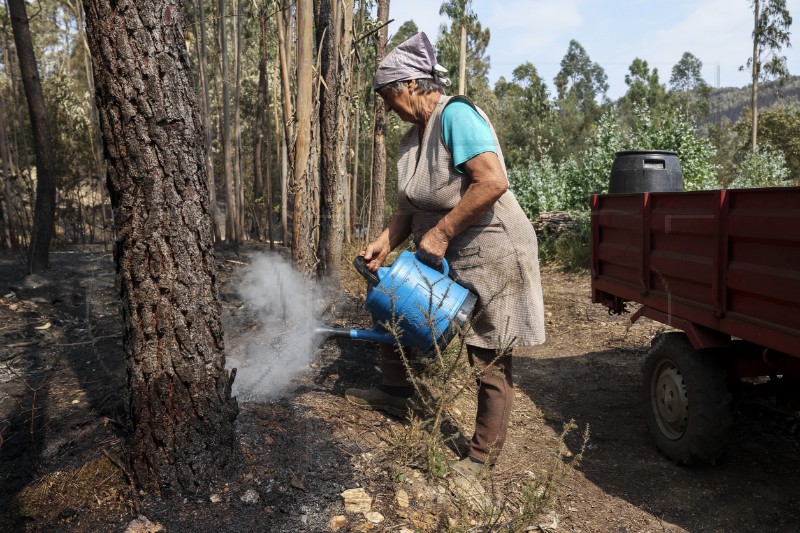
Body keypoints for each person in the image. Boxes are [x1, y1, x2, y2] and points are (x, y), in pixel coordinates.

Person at [345, 32, 545, 478]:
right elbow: (407, 208)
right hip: (445, 247)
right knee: (389, 302)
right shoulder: (411, 139)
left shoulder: (455, 114)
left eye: (388, 96)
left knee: (488, 351)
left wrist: (441, 232)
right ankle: (396, 395)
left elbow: (491, 182)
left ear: (412, 85)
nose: (387, 107)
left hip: (492, 247)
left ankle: (480, 458)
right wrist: (385, 241)